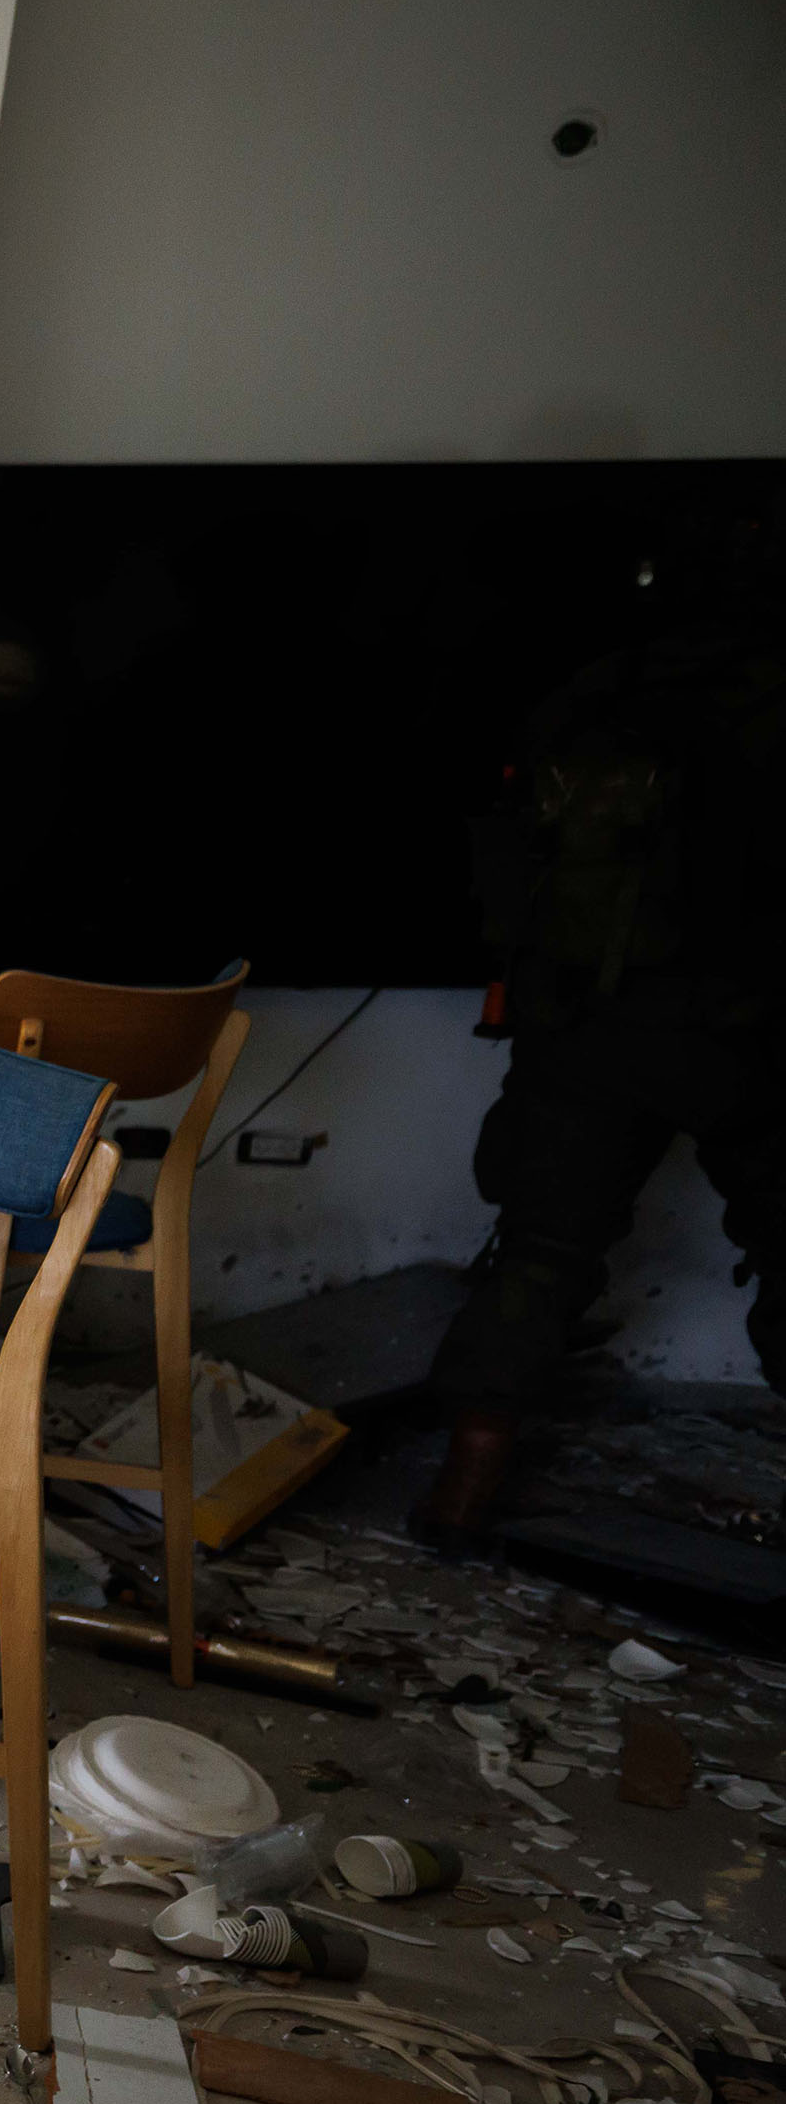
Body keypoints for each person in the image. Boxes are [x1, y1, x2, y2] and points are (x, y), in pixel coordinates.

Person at [416, 519, 785, 1537]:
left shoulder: (594, 692)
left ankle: (464, 1484)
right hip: (752, 1033)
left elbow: (510, 866)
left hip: (589, 1029)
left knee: (538, 1254)